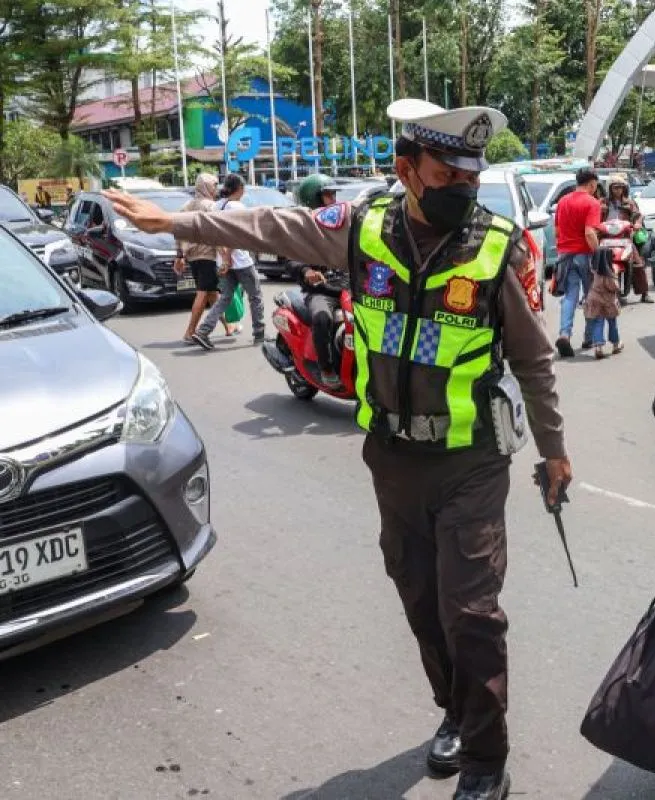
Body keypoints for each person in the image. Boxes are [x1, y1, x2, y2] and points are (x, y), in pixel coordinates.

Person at [103, 98, 571, 800]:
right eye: (448, 175)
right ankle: (454, 710)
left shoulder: (496, 246)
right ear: (406, 171)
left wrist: (554, 451)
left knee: (471, 612)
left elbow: (534, 359)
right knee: (419, 598)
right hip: (392, 458)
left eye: (471, 177)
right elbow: (269, 226)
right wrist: (175, 221)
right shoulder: (362, 227)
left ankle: (485, 759)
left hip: (470, 459)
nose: (463, 189)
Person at [185, 174, 267, 350]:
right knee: (255, 296)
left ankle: (203, 331)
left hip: (221, 261)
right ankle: (259, 334)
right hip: (241, 262)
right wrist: (228, 257)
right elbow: (235, 235)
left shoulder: (216, 206)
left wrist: (223, 257)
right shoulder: (237, 206)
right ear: (240, 189)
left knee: (225, 298)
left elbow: (213, 236)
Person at [289, 173, 347, 389]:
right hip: (321, 290)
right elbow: (291, 259)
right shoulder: (303, 229)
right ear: (314, 198)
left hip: (348, 287)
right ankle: (327, 368)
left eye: (334, 195)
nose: (333, 200)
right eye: (328, 195)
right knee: (322, 317)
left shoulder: (343, 224)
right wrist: (306, 271)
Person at [175, 172, 237, 343]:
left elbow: (178, 231)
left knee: (212, 293)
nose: (216, 189)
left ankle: (228, 326)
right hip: (208, 255)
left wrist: (179, 255)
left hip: (193, 256)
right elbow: (216, 234)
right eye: (214, 185)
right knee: (203, 293)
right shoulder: (211, 207)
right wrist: (225, 257)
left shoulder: (187, 206)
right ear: (206, 187)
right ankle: (190, 332)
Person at [552, 168, 602, 357]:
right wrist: (598, 253)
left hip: (565, 256)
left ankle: (564, 334)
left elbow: (557, 232)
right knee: (591, 296)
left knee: (570, 296)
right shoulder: (592, 203)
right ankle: (589, 338)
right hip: (585, 255)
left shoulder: (563, 201)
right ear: (592, 184)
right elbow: (589, 233)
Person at [602, 173, 652, 304]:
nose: (618, 190)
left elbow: (638, 215)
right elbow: (595, 216)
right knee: (596, 262)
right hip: (606, 237)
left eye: (621, 187)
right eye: (615, 187)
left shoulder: (629, 203)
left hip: (624, 237)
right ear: (609, 188)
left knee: (637, 263)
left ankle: (645, 293)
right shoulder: (602, 203)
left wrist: (637, 223)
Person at [583, 246, 621, 359]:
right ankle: (616, 344)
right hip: (608, 301)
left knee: (598, 323)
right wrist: (616, 276)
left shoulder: (593, 271)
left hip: (594, 300)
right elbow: (614, 287)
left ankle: (598, 347)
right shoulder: (609, 273)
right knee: (612, 323)